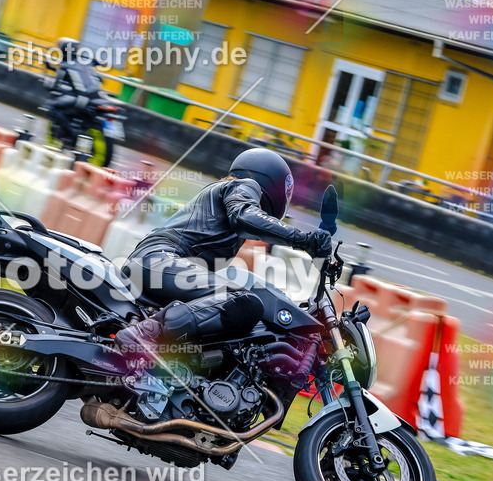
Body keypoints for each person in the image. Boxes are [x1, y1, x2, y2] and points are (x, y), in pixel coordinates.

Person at [115, 148, 333, 367]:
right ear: (273, 181)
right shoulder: (244, 186)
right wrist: (305, 240)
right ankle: (148, 333)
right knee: (243, 301)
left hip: (158, 265)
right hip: (158, 259)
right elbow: (245, 216)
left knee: (234, 309)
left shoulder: (229, 208)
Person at [46, 37, 103, 145]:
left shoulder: (66, 65)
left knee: (53, 107)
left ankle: (71, 135)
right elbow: (99, 79)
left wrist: (51, 86)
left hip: (82, 98)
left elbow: (56, 84)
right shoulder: (86, 63)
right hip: (98, 96)